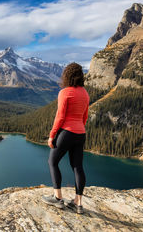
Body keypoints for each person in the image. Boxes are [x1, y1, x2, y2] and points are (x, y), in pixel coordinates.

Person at [41, 62, 89, 214]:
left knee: (52, 161)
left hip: (66, 133)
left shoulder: (65, 92)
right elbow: (85, 116)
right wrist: (79, 128)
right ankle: (78, 203)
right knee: (77, 166)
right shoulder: (85, 93)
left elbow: (60, 117)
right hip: (81, 133)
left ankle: (57, 198)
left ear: (67, 76)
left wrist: (52, 135)